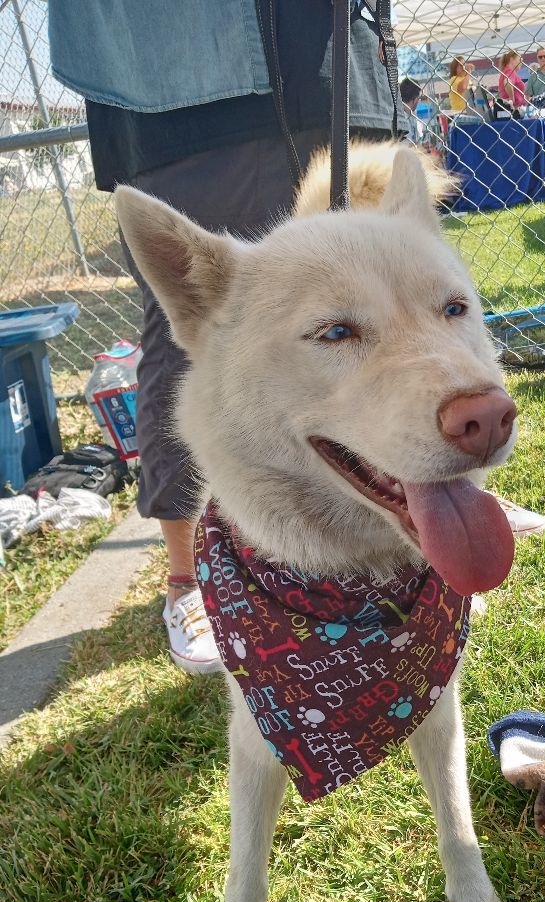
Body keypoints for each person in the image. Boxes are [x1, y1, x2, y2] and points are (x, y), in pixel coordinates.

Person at [48, 1, 405, 674]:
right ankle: (191, 582)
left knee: (381, 319)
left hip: (332, 57)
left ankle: (409, 553)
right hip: (178, 84)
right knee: (199, 337)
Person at [400, 77, 426, 144]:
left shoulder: (410, 116)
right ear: (415, 99)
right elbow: (406, 147)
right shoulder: (402, 120)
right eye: (419, 99)